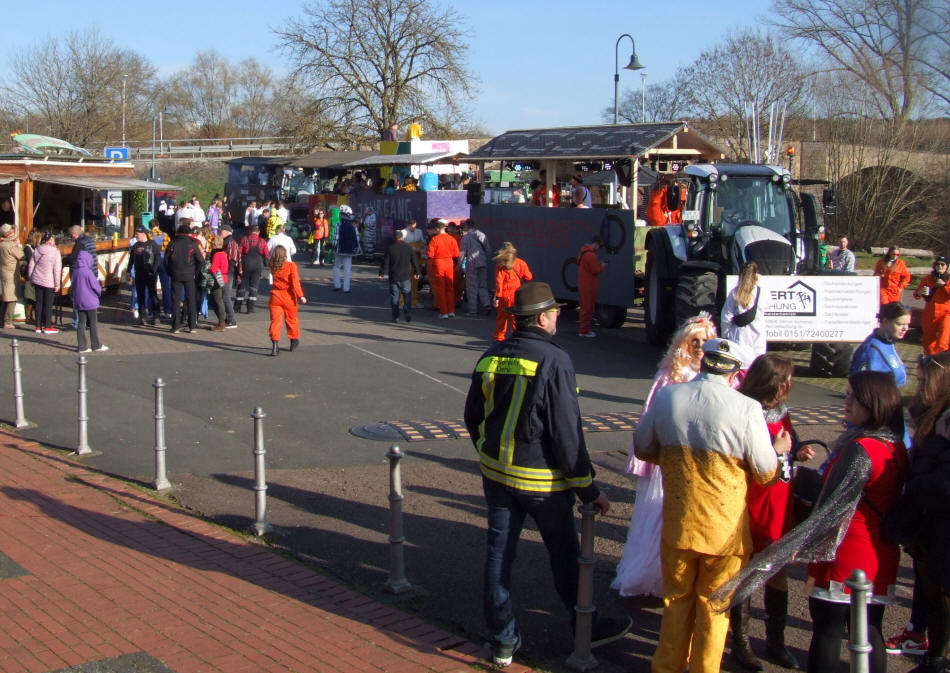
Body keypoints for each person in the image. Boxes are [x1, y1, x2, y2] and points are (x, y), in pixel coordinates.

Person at [463, 282, 632, 668]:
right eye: (555, 311)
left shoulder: (490, 356)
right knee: (566, 556)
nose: (559, 316)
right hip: (542, 481)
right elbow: (566, 432)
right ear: (542, 318)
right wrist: (588, 488)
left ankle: (502, 640)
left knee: (498, 555)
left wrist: (488, 453)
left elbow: (473, 417)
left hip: (497, 474)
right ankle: (585, 628)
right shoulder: (554, 360)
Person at [634, 338, 789, 673]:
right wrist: (776, 452)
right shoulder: (746, 409)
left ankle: (666, 667)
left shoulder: (667, 397)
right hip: (724, 532)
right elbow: (765, 472)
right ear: (733, 372)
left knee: (675, 602)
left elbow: (643, 447)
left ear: (704, 364)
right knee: (714, 608)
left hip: (678, 523)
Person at [613, 312, 717, 599]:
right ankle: (653, 577)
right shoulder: (670, 376)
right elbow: (649, 419)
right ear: (684, 343)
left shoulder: (719, 379)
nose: (699, 346)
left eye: (705, 341)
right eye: (694, 341)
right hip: (668, 462)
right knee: (659, 518)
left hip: (701, 463)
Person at [732, 354, 816, 671]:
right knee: (749, 571)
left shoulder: (782, 411)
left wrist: (797, 450)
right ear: (773, 382)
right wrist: (777, 450)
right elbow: (743, 456)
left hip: (782, 498)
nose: (790, 385)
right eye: (787, 379)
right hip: (754, 498)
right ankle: (741, 644)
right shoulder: (744, 411)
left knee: (779, 571)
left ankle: (775, 643)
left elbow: (788, 441)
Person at [885, 351, 950, 673]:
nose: (920, 385)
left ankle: (936, 660)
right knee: (934, 597)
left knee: (942, 598)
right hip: (930, 526)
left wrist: (915, 482)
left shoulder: (945, 420)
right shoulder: (932, 414)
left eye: (926, 380)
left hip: (942, 524)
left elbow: (944, 481)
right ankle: (932, 655)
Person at [850, 302, 911, 388]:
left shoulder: (888, 342)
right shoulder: (871, 351)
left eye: (907, 324)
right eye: (899, 324)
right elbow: (864, 388)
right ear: (885, 321)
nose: (905, 329)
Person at [721, 261, 767, 359]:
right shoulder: (761, 292)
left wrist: (725, 336)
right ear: (755, 275)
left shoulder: (734, 293)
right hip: (757, 337)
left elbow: (726, 317)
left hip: (738, 337)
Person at [165, 222, 204, 333]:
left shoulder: (172, 243)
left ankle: (175, 326)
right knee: (191, 300)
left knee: (176, 300)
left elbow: (166, 260)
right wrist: (195, 271)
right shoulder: (193, 244)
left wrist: (170, 272)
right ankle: (192, 326)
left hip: (175, 275)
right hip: (189, 275)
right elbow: (201, 260)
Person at [268, 246, 306, 356]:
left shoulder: (273, 266)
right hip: (288, 295)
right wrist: (301, 295)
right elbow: (295, 282)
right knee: (292, 319)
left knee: (275, 322)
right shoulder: (291, 266)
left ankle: (275, 346)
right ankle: (293, 340)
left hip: (275, 295)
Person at [492, 242, 533, 341]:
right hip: (516, 295)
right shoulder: (520, 263)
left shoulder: (500, 265)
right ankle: (516, 338)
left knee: (502, 319)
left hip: (504, 296)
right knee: (516, 319)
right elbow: (529, 277)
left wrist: (497, 297)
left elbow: (499, 282)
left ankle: (499, 338)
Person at [379, 229, 419, 323]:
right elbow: (414, 260)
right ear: (403, 237)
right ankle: (407, 309)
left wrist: (381, 273)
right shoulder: (408, 247)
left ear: (394, 238)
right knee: (407, 295)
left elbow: (385, 262)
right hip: (405, 275)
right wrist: (417, 272)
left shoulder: (390, 248)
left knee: (394, 297)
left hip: (394, 276)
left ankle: (395, 316)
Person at [72, 249, 107, 353]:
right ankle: (96, 345)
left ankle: (82, 346)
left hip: (79, 301)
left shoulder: (75, 272)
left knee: (81, 323)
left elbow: (73, 285)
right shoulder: (88, 272)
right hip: (90, 301)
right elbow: (96, 287)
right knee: (93, 323)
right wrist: (99, 292)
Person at [914, 255, 950, 356]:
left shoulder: (949, 279)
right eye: (938, 264)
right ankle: (930, 362)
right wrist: (920, 292)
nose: (940, 266)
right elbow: (916, 294)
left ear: (947, 266)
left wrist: (944, 285)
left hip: (946, 313)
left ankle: (942, 364)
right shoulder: (928, 279)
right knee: (928, 341)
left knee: (943, 340)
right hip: (930, 313)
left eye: (943, 264)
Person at [27, 232, 62, 335]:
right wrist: (57, 284)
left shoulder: (37, 249)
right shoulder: (55, 252)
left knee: (39, 303)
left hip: (37, 279)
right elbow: (57, 270)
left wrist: (30, 278)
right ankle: (47, 326)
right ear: (50, 240)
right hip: (49, 281)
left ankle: (38, 326)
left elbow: (31, 265)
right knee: (48, 304)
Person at [128, 225, 162, 326]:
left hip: (150, 273)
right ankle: (142, 317)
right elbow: (131, 259)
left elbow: (158, 258)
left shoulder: (152, 244)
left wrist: (154, 270)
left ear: (143, 234)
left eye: (137, 234)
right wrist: (128, 270)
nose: (135, 235)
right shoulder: (136, 245)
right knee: (140, 295)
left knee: (153, 295)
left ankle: (156, 316)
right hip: (139, 273)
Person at [458, 218, 492, 317]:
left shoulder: (465, 238)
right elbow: (488, 249)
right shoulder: (481, 234)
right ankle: (487, 304)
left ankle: (473, 310)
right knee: (482, 285)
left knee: (471, 287)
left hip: (472, 264)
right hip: (482, 263)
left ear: (467, 226)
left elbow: (462, 253)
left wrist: (459, 264)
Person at [426, 219, 459, 318]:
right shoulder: (451, 239)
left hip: (439, 263)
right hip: (449, 262)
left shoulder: (435, 239)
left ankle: (444, 312)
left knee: (440, 288)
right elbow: (456, 254)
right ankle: (451, 310)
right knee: (450, 287)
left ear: (437, 228)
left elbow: (430, 255)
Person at [577, 235, 607, 337]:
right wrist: (602, 266)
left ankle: (583, 329)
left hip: (583, 284)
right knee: (588, 309)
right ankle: (584, 331)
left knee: (584, 308)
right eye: (599, 246)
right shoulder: (591, 255)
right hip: (589, 285)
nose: (598, 248)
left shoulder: (583, 253)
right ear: (596, 244)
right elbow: (595, 270)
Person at [238, 224, 269, 312]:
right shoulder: (262, 241)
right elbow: (266, 255)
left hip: (246, 264)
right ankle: (250, 308)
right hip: (257, 265)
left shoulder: (244, 240)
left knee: (242, 285)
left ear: (250, 231)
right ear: (258, 232)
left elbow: (239, 253)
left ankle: (237, 306)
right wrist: (267, 263)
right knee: (254, 286)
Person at [0, 223, 24, 328]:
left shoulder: (2, 244)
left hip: (4, 272)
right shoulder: (11, 246)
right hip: (11, 273)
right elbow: (21, 256)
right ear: (9, 234)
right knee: (11, 298)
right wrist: (19, 245)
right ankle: (8, 321)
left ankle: (3, 319)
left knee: (5, 297)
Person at [332, 210, 360, 293]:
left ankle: (337, 285)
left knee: (336, 267)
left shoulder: (338, 225)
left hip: (340, 250)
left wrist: (334, 248)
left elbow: (336, 238)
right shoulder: (353, 226)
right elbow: (357, 238)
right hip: (349, 250)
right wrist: (357, 249)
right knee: (347, 269)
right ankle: (346, 288)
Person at [219, 224, 239, 328]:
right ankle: (228, 318)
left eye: (221, 231)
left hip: (228, 273)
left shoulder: (230, 242)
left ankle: (231, 320)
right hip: (226, 272)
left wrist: (227, 269)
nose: (220, 232)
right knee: (223, 296)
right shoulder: (227, 242)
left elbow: (232, 259)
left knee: (226, 296)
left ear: (227, 232)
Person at [208, 236, 229, 331]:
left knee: (217, 300)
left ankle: (221, 322)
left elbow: (213, 268)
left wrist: (207, 268)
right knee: (218, 300)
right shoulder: (223, 253)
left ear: (215, 244)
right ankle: (221, 321)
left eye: (212, 244)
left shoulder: (216, 254)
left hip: (217, 279)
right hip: (224, 278)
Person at [22, 229, 42, 326]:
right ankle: (28, 317)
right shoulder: (28, 247)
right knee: (30, 297)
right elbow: (31, 260)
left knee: (34, 297)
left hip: (36, 275)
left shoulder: (35, 248)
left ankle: (32, 316)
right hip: (30, 276)